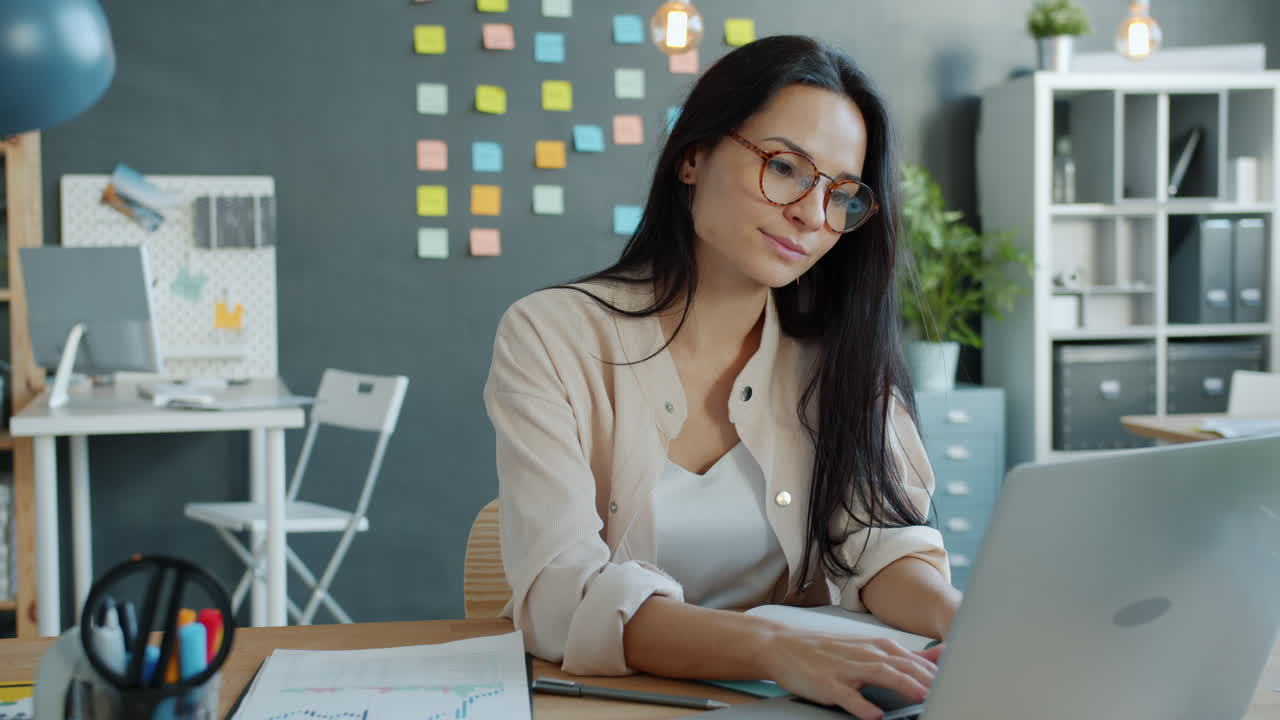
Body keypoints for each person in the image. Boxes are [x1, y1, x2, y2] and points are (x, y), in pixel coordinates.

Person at [483, 34, 960, 719]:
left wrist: (957, 614)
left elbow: (877, 544)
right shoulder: (552, 334)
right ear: (692, 155)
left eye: (841, 194)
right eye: (786, 167)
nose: (808, 212)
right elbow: (562, 595)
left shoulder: (839, 354)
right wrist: (772, 648)